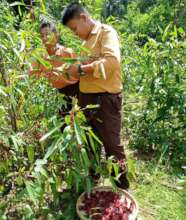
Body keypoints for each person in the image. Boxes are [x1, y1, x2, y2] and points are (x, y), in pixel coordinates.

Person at [61, 2, 129, 189]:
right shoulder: (84, 43)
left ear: (83, 17)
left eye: (75, 28)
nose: (75, 33)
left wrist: (82, 69)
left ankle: (121, 187)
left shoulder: (105, 33)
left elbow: (112, 61)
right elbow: (79, 71)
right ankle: (94, 183)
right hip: (87, 100)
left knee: (112, 146)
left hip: (105, 100)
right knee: (91, 144)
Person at [29, 22, 80, 114]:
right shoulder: (39, 57)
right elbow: (33, 76)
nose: (44, 38)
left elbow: (79, 71)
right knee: (63, 125)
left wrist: (62, 70)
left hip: (75, 91)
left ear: (56, 35)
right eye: (41, 36)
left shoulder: (67, 52)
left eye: (47, 34)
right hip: (55, 95)